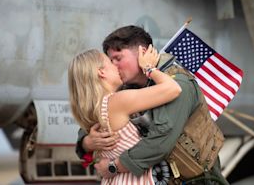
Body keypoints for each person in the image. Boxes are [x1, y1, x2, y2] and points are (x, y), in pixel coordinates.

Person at [76, 25, 229, 184]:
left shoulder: (179, 83)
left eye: (118, 58)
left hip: (197, 180)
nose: (114, 66)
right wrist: (88, 142)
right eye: (110, 60)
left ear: (142, 53)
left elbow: (161, 139)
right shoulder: (126, 89)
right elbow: (92, 118)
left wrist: (114, 166)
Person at [68, 45, 182, 184]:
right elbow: (173, 88)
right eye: (110, 62)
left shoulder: (93, 109)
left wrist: (86, 143)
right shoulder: (117, 102)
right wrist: (148, 68)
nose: (116, 66)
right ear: (101, 72)